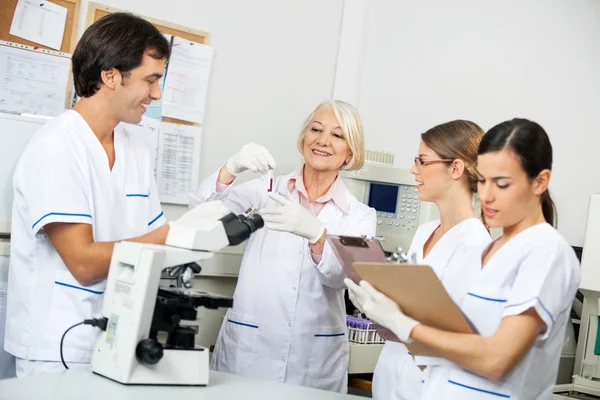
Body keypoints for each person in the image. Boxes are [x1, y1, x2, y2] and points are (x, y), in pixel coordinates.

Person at [4, 13, 228, 377]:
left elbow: (155, 247)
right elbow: (84, 262)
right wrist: (175, 232)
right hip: (56, 344)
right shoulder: (55, 148)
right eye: (151, 79)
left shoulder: (135, 148)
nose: (157, 94)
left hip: (120, 339)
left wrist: (195, 233)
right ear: (110, 75)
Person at [347, 118, 581, 399]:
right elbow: (451, 347)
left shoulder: (545, 252)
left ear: (540, 182)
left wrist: (407, 326)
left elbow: (496, 360)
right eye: (482, 180)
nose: (487, 195)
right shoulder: (493, 251)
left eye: (502, 183)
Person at [191, 100, 376, 392]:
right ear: (303, 137)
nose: (322, 141)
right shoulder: (265, 192)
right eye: (316, 129)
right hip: (250, 349)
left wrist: (317, 234)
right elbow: (201, 214)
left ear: (350, 152)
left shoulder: (360, 216)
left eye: (337, 135)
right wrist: (231, 166)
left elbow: (345, 279)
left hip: (314, 358)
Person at [372, 120, 491, 400]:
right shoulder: (425, 232)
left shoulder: (475, 244)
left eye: (422, 161)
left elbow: (455, 338)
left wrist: (398, 317)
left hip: (429, 388)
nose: (414, 169)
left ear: (455, 168)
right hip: (391, 379)